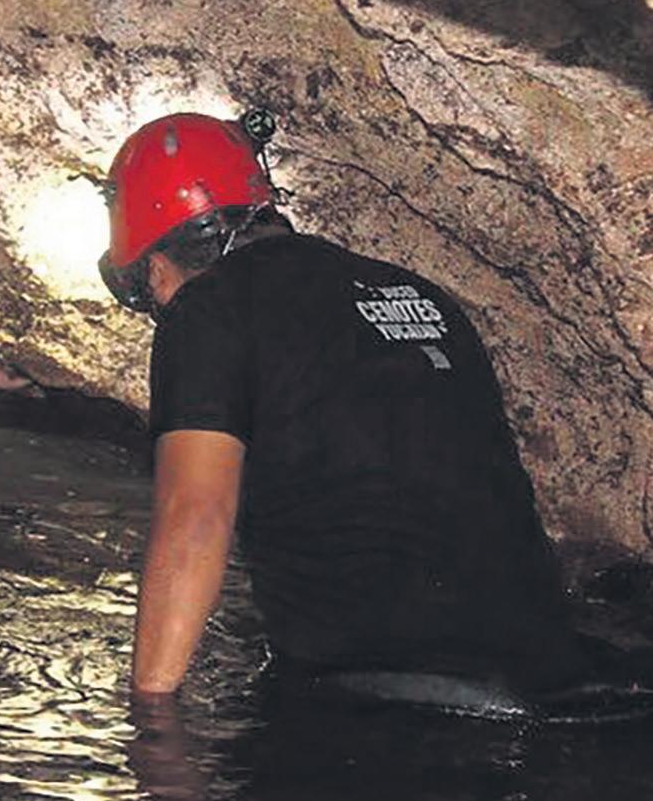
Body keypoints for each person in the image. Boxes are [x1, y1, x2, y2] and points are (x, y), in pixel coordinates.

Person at [98, 110, 647, 716]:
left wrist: (150, 719)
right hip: (551, 667)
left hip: (394, 697)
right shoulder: (420, 295)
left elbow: (196, 515)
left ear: (156, 269)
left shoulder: (204, 309)